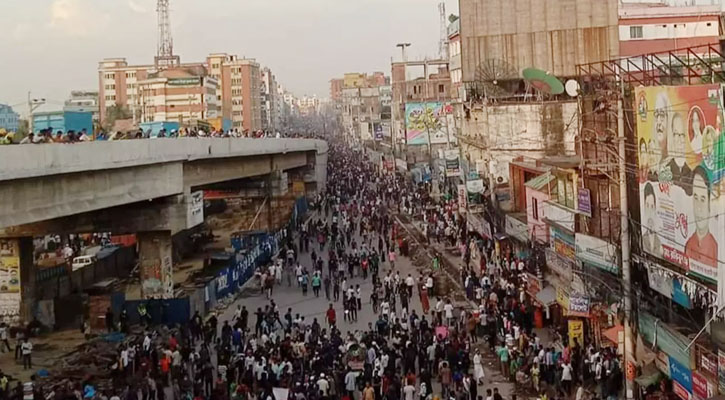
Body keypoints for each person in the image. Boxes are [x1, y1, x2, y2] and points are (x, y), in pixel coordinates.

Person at [685, 166, 717, 268]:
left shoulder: (716, 249)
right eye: (695, 198)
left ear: (709, 204)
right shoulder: (688, 245)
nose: (698, 208)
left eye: (703, 199)